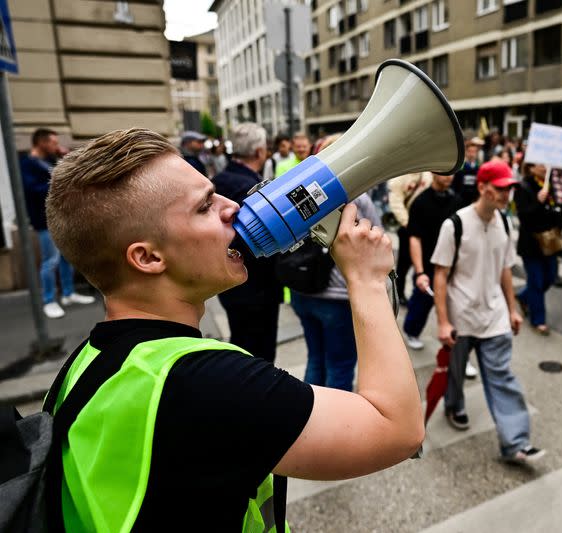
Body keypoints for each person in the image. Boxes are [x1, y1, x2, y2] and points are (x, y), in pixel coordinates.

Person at [44, 128, 424, 531]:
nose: (233, 207)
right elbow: (397, 429)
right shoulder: (205, 383)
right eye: (205, 206)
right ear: (149, 257)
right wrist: (366, 281)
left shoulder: (82, 367)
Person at [432, 160, 545, 465]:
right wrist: (443, 321)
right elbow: (440, 274)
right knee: (455, 374)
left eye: (510, 188)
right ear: (483, 187)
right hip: (461, 316)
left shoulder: (506, 223)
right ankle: (453, 405)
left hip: (494, 316)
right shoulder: (454, 224)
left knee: (502, 377)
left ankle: (516, 443)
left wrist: (512, 309)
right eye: (501, 188)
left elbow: (505, 269)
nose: (506, 194)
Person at [290, 134, 383, 391]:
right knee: (340, 365)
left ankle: (312, 416)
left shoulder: (303, 193)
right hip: (337, 297)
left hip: (303, 290)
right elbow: (377, 240)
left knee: (315, 358)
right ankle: (336, 428)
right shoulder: (357, 199)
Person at [212, 123, 283, 363]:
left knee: (241, 344)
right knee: (259, 354)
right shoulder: (253, 189)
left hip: (228, 282)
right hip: (257, 287)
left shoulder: (218, 180)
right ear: (259, 152)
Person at [20, 128, 95, 319]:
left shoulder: (49, 161)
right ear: (41, 142)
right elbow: (33, 190)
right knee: (50, 261)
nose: (56, 145)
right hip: (44, 221)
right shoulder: (27, 164)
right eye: (53, 142)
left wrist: (65, 157)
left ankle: (68, 294)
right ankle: (49, 300)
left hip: (61, 217)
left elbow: (69, 173)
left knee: (65, 258)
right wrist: (58, 182)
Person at [402, 172, 461, 350]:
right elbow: (414, 238)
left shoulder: (457, 200)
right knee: (422, 301)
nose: (449, 177)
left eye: (452, 173)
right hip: (428, 264)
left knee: (455, 306)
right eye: (445, 173)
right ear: (434, 173)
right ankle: (411, 331)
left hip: (451, 264)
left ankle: (457, 347)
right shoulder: (420, 202)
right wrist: (419, 272)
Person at [516, 163, 562, 335]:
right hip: (531, 244)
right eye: (540, 165)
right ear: (530, 167)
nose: (545, 168)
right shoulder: (523, 187)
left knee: (549, 278)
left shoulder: (548, 185)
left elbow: (554, 213)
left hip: (549, 243)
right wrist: (538, 201)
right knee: (536, 282)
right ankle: (538, 320)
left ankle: (523, 296)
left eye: (546, 165)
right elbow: (524, 216)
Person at [388, 171, 432, 304]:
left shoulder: (428, 175)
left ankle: (417, 291)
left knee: (421, 263)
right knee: (404, 264)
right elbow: (396, 203)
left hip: (425, 227)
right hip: (408, 227)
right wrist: (408, 223)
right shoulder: (399, 178)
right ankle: (399, 293)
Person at [452, 137, 482, 207]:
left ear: (477, 153)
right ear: (466, 152)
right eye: (470, 151)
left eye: (474, 152)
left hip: (474, 201)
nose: (472, 154)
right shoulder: (460, 169)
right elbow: (456, 185)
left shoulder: (479, 169)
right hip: (461, 201)